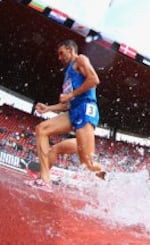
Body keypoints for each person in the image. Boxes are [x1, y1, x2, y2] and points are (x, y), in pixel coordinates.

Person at [25, 39, 104, 192]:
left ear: (70, 50)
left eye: (61, 53)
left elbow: (94, 79)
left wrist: (71, 94)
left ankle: (110, 180)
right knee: (42, 129)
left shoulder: (80, 59)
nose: (59, 57)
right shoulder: (68, 73)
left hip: (86, 109)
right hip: (73, 110)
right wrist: (48, 108)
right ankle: (45, 180)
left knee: (87, 162)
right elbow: (67, 103)